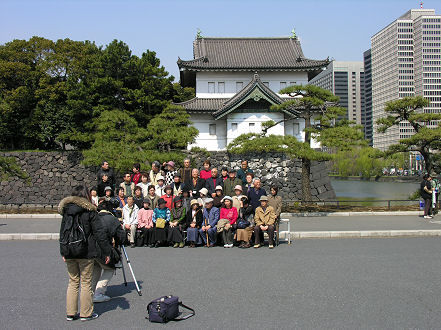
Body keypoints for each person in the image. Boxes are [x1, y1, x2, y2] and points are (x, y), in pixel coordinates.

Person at [59, 185, 111, 322]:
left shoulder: (66, 210)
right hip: (86, 250)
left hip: (69, 250)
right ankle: (86, 313)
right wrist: (107, 251)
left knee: (73, 282)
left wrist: (63, 251)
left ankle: (70, 313)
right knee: (86, 283)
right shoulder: (90, 210)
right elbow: (99, 233)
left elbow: (62, 232)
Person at [92, 200, 127, 303]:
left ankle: (90, 292)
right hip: (103, 249)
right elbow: (121, 237)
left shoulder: (93, 217)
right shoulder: (112, 219)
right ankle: (98, 293)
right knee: (109, 269)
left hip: (91, 249)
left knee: (96, 269)